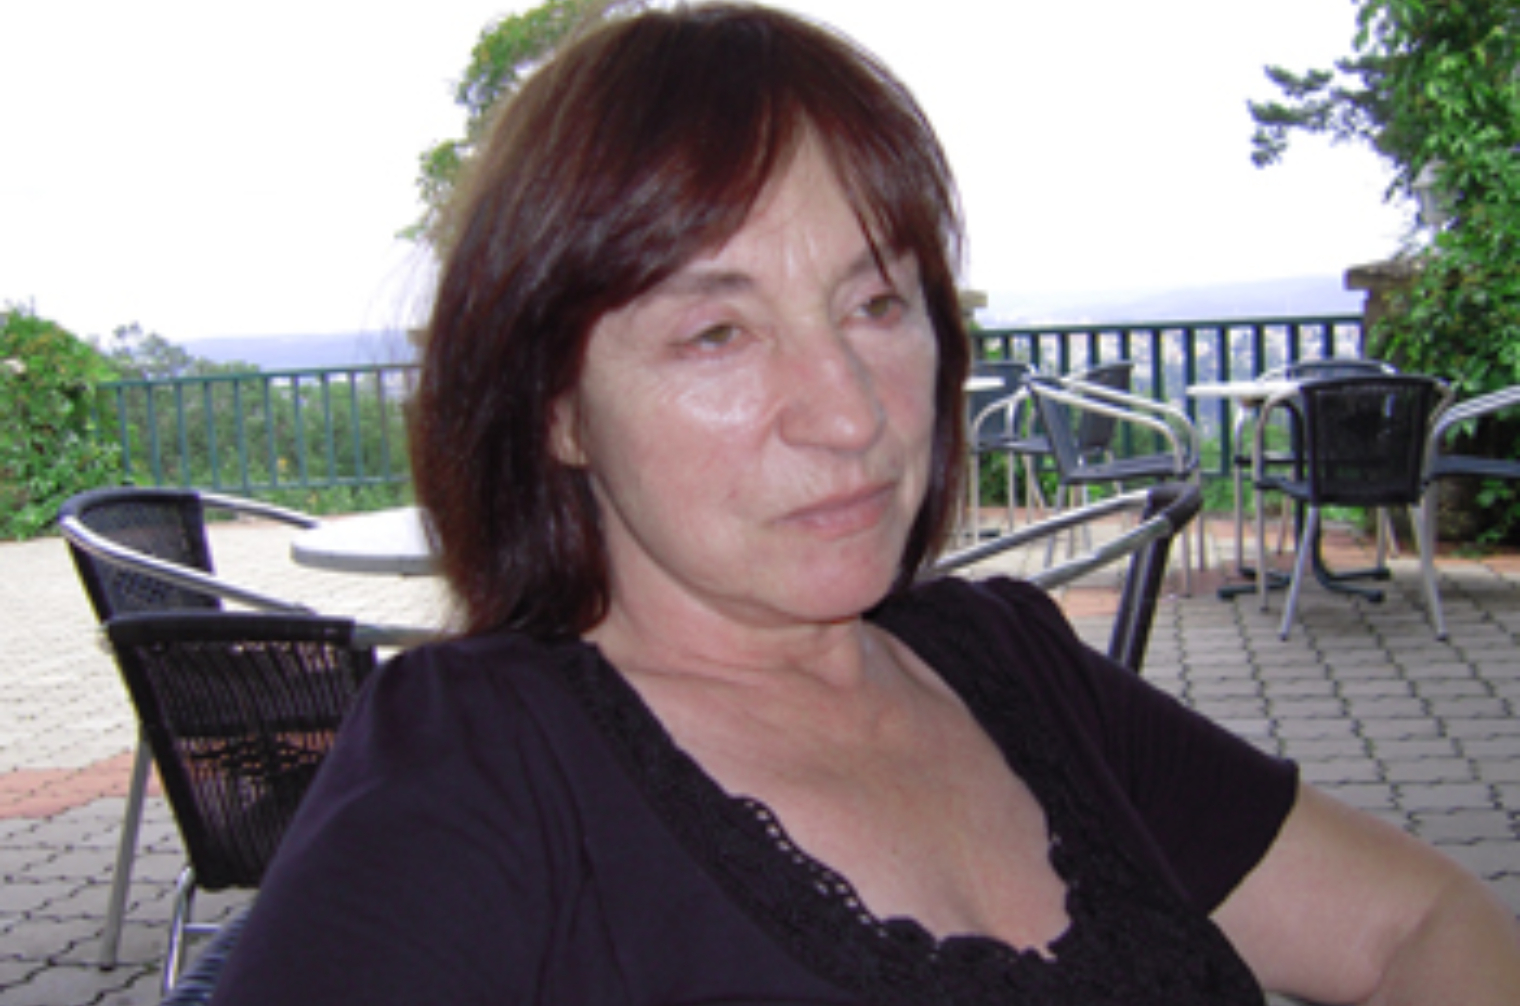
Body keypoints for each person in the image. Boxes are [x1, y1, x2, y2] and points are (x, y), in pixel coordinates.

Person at [213, 4, 1520, 1003]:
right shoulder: (482, 767)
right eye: (717, 331)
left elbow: (1421, 924)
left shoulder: (1010, 667)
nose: (850, 411)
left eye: (877, 301)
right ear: (556, 405)